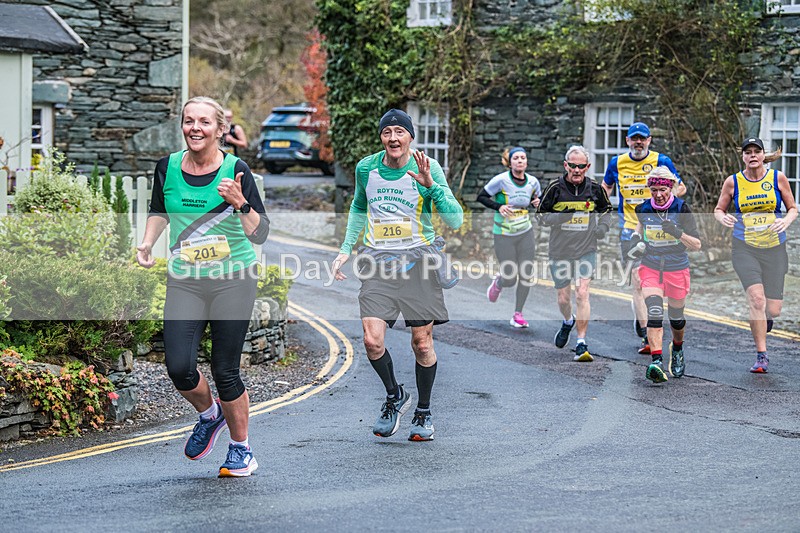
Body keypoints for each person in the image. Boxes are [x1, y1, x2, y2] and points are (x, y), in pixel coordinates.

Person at [136, 96, 270, 477]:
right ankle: (211, 415)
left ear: (220, 130)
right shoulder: (167, 167)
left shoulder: (236, 169)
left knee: (225, 370)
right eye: (189, 121)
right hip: (186, 280)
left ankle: (242, 449)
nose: (195, 128)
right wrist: (147, 242)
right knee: (179, 367)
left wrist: (241, 203)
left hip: (233, 280)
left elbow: (260, 234)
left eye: (204, 122)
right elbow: (159, 210)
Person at [332, 108, 463, 442]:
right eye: (387, 132)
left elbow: (456, 220)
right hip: (378, 264)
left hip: (419, 265)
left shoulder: (427, 167)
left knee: (422, 343)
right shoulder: (366, 168)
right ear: (381, 137)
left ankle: (424, 411)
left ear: (410, 137)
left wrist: (432, 187)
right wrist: (346, 248)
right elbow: (358, 207)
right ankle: (395, 396)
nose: (393, 138)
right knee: (372, 340)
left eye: (399, 132)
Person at [602, 122, 687, 355]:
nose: (638, 142)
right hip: (630, 229)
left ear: (649, 140)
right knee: (638, 280)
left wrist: (663, 200)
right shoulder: (616, 163)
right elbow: (606, 187)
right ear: (627, 141)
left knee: (661, 286)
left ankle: (648, 323)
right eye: (634, 138)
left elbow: (681, 188)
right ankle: (646, 335)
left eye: (642, 138)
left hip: (659, 230)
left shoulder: (661, 161)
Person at [713, 137, 797, 373]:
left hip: (774, 247)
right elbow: (718, 209)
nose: (752, 155)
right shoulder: (733, 182)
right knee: (757, 300)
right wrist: (723, 218)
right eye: (747, 152)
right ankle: (762, 355)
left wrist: (785, 222)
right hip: (744, 247)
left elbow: (792, 208)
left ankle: (765, 318)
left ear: (762, 155)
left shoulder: (777, 178)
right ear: (743, 156)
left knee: (773, 309)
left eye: (756, 151)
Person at [538, 145, 613, 361]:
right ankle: (568, 321)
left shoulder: (595, 189)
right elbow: (540, 216)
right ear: (566, 165)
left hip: (586, 248)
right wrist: (561, 217)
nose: (577, 170)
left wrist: (603, 227)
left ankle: (581, 341)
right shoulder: (555, 188)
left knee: (582, 293)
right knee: (564, 298)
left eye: (581, 166)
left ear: (587, 167)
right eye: (573, 166)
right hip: (560, 251)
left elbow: (607, 210)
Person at [629, 167, 701, 383]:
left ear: (671, 188)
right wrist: (635, 240)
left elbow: (697, 245)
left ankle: (677, 348)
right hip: (651, 266)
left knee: (677, 319)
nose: (658, 194)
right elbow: (639, 228)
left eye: (663, 190)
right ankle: (657, 362)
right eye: (654, 190)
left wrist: (677, 233)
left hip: (677, 267)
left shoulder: (682, 209)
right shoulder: (643, 209)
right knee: (654, 311)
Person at [478, 146, 542, 327]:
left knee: (526, 273)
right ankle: (500, 282)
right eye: (516, 158)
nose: (520, 161)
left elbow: (539, 199)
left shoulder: (533, 182)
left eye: (523, 158)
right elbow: (481, 197)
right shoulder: (501, 180)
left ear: (526, 162)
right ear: (510, 162)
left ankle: (518, 314)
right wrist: (498, 206)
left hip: (525, 232)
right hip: (503, 234)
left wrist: (538, 202)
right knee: (510, 277)